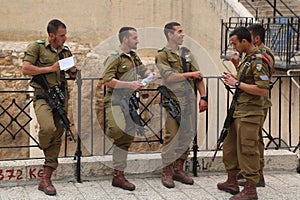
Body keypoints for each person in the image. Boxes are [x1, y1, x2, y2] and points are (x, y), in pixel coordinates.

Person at [22, 19, 77, 195]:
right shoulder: (36, 47)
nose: (65, 38)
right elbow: (26, 69)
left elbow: (71, 74)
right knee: (48, 128)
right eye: (62, 35)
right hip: (42, 95)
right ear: (51, 35)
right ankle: (43, 144)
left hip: (61, 97)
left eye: (65, 35)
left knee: (58, 135)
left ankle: (46, 179)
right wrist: (50, 68)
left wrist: (74, 71)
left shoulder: (65, 51)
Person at [218, 27, 271, 200]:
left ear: (245, 41)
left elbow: (262, 90)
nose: (233, 47)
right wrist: (233, 76)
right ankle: (232, 181)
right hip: (238, 109)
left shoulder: (258, 60)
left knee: (248, 149)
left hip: (250, 112)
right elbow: (245, 79)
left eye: (235, 43)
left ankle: (250, 189)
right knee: (230, 146)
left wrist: (237, 84)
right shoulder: (247, 59)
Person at [102, 26, 155, 191]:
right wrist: (129, 84)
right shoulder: (115, 58)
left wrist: (150, 76)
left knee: (127, 136)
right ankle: (109, 130)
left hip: (130, 102)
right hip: (115, 101)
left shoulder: (133, 57)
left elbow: (144, 71)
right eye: (134, 38)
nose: (137, 41)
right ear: (125, 39)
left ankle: (119, 175)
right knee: (118, 131)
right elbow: (107, 80)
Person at [155, 22, 208, 188]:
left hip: (189, 99)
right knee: (172, 136)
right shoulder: (162, 55)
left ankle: (179, 168)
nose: (183, 34)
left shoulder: (187, 53)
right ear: (170, 35)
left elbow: (199, 77)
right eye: (179, 32)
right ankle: (167, 171)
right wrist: (191, 74)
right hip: (173, 101)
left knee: (188, 134)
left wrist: (204, 97)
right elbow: (169, 77)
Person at [235, 24, 275, 187]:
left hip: (258, 104)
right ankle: (253, 172)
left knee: (253, 140)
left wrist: (236, 82)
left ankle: (257, 173)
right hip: (249, 102)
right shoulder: (251, 55)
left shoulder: (261, 55)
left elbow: (261, 83)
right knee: (251, 138)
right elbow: (246, 76)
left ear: (256, 38)